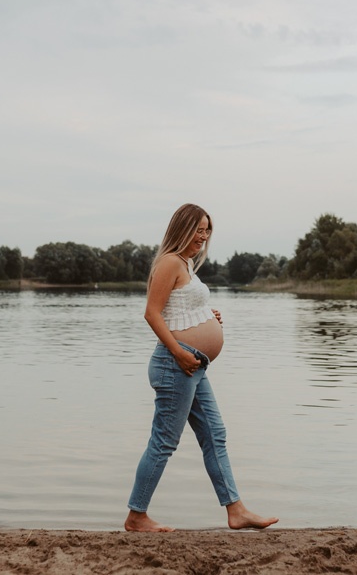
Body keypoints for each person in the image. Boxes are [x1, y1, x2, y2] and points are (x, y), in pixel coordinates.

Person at [125, 204, 278, 532]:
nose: (204, 235)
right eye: (198, 229)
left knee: (215, 435)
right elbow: (152, 313)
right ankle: (136, 516)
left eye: (207, 229)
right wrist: (179, 352)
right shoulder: (169, 262)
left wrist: (208, 317)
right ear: (182, 228)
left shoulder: (186, 263)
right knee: (164, 441)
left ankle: (235, 511)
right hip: (175, 364)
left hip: (194, 366)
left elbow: (179, 308)